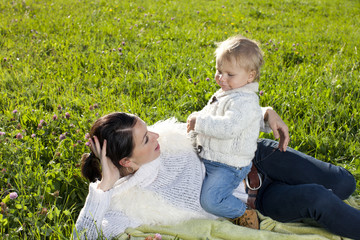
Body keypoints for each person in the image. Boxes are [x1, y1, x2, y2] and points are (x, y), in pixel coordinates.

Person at [73, 111, 360, 240]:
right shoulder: (129, 201)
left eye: (148, 129)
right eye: (146, 139)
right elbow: (84, 236)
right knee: (320, 201)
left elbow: (218, 120)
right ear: (126, 161)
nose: (156, 134)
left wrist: (264, 114)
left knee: (345, 183)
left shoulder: (169, 137)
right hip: (260, 198)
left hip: (257, 155)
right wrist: (105, 186)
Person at [187, 35, 265, 219]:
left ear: (250, 76)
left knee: (210, 200)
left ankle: (244, 213)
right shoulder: (227, 92)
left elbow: (229, 127)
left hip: (229, 165)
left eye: (230, 74)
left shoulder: (245, 101)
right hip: (211, 156)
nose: (221, 78)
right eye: (219, 71)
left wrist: (200, 122)